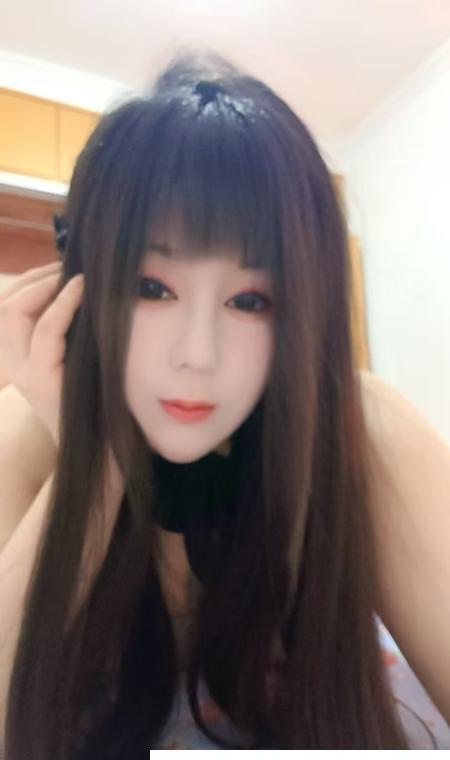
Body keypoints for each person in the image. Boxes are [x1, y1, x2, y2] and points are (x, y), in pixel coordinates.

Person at [0, 48, 449, 755]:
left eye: (250, 300)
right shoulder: (26, 431)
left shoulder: (359, 427)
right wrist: (95, 462)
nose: (197, 355)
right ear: (77, 287)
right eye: (152, 287)